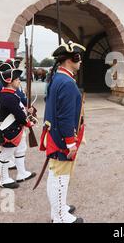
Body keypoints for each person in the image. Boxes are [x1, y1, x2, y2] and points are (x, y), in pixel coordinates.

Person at [40, 41, 86, 223]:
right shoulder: (67, 82)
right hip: (61, 137)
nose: (81, 61)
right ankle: (60, 217)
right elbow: (66, 116)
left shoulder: (58, 77)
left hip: (54, 134)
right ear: (71, 59)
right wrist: (70, 142)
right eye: (79, 58)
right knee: (61, 177)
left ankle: (58, 209)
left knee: (55, 174)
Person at [0, 68, 36, 189]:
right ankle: (4, 180)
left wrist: (27, 111)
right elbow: (18, 114)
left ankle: (22, 173)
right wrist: (28, 122)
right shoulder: (8, 96)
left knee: (20, 150)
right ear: (9, 81)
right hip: (10, 130)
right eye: (17, 79)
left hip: (16, 129)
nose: (19, 81)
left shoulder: (10, 94)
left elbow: (19, 110)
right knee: (5, 156)